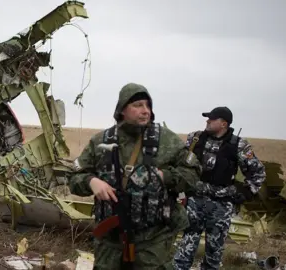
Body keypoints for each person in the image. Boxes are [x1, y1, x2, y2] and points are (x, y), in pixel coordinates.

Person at [68, 83, 201, 269]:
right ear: (122, 109)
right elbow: (74, 177)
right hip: (110, 242)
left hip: (153, 241)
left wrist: (164, 176)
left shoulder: (167, 140)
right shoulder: (100, 142)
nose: (145, 111)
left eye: (148, 106)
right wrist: (91, 181)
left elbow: (193, 174)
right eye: (138, 105)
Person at [173, 106, 266, 270]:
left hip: (221, 206)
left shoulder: (238, 145)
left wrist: (244, 192)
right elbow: (179, 166)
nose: (207, 121)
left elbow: (258, 173)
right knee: (182, 256)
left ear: (224, 123)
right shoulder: (195, 139)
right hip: (194, 202)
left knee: (213, 257)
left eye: (212, 118)